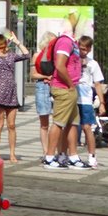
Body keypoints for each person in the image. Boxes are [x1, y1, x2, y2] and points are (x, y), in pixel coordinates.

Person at [43, 26, 87, 169]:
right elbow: (60, 65)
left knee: (73, 123)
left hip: (70, 88)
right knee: (58, 123)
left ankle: (73, 157)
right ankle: (49, 157)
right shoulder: (65, 42)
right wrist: (70, 85)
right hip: (64, 88)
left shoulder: (71, 42)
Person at [0, 31, 29, 163]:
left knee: (12, 125)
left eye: (3, 45)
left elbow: (26, 55)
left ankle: (13, 153)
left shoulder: (11, 55)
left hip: (11, 91)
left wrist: (17, 42)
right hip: (0, 92)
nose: (2, 48)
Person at [75, 35, 105, 168]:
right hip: (73, 97)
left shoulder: (93, 64)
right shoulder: (72, 61)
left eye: (86, 49)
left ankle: (92, 156)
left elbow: (97, 84)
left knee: (87, 127)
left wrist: (102, 103)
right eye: (81, 49)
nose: (83, 52)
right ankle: (69, 155)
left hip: (86, 99)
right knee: (70, 127)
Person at [31, 31, 57, 162]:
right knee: (44, 123)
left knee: (58, 122)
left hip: (55, 87)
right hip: (42, 87)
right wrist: (46, 77)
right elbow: (33, 75)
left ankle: (55, 151)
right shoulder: (37, 55)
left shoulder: (56, 56)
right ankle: (45, 152)